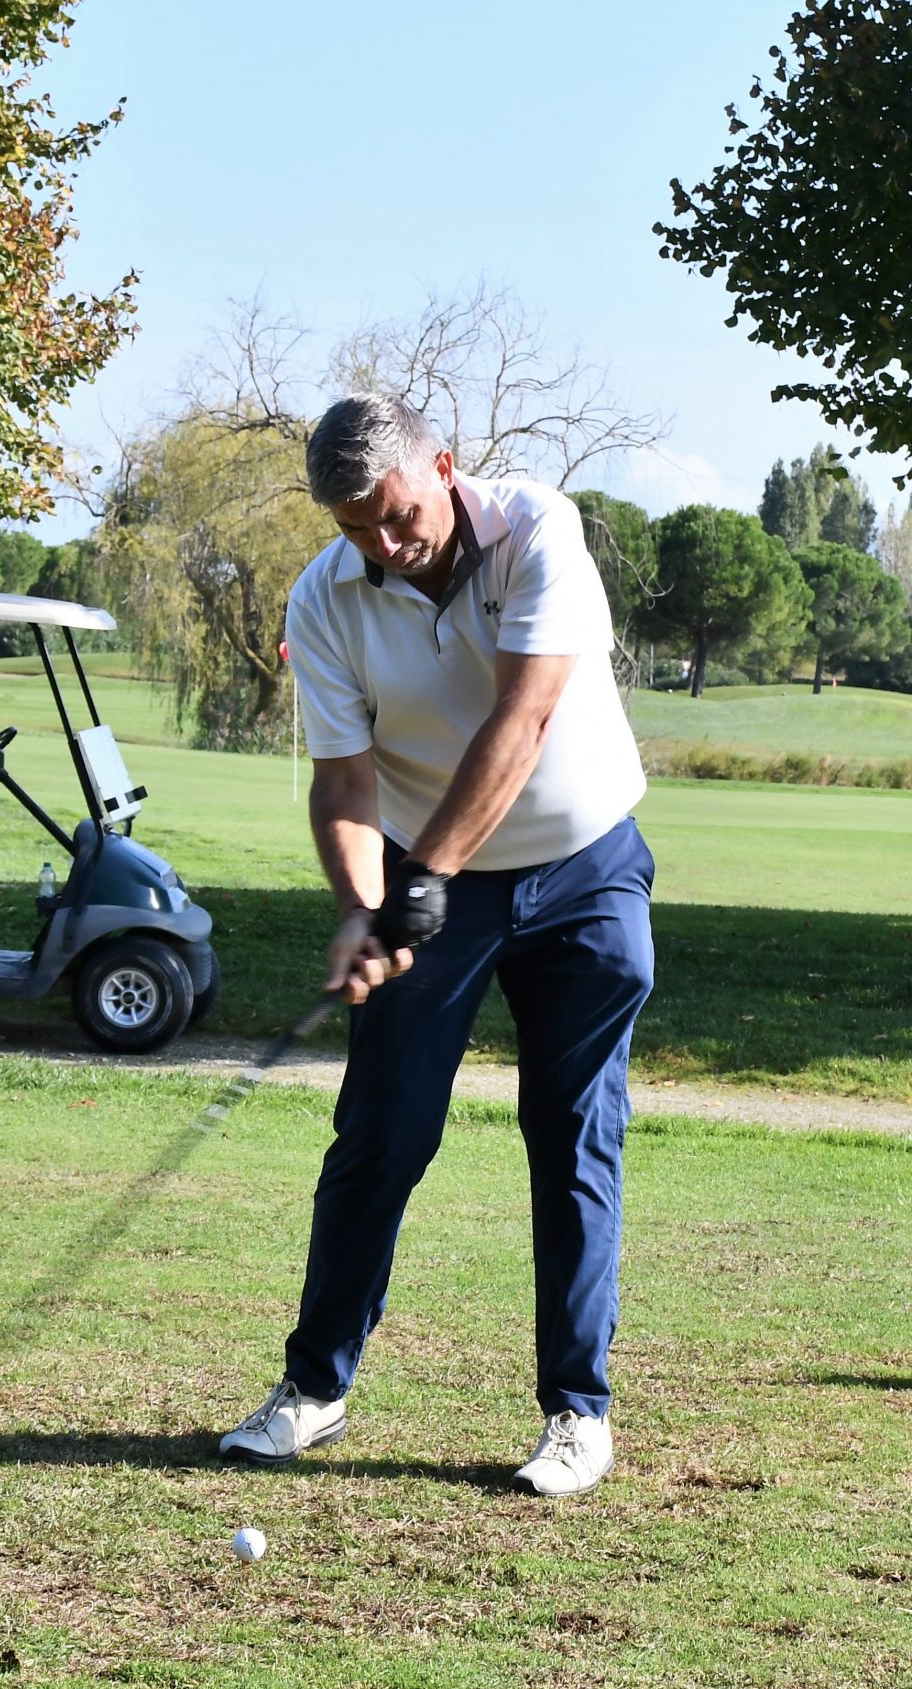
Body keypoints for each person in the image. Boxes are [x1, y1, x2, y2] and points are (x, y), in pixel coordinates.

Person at [219, 395, 655, 1497]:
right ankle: (313, 1389)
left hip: (583, 872)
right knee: (381, 1131)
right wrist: (362, 905)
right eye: (355, 526)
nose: (383, 542)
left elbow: (524, 719)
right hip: (426, 877)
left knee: (573, 1134)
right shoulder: (325, 596)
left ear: (444, 468)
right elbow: (343, 781)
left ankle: (577, 1412)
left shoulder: (539, 528)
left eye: (397, 514)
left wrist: (425, 879)